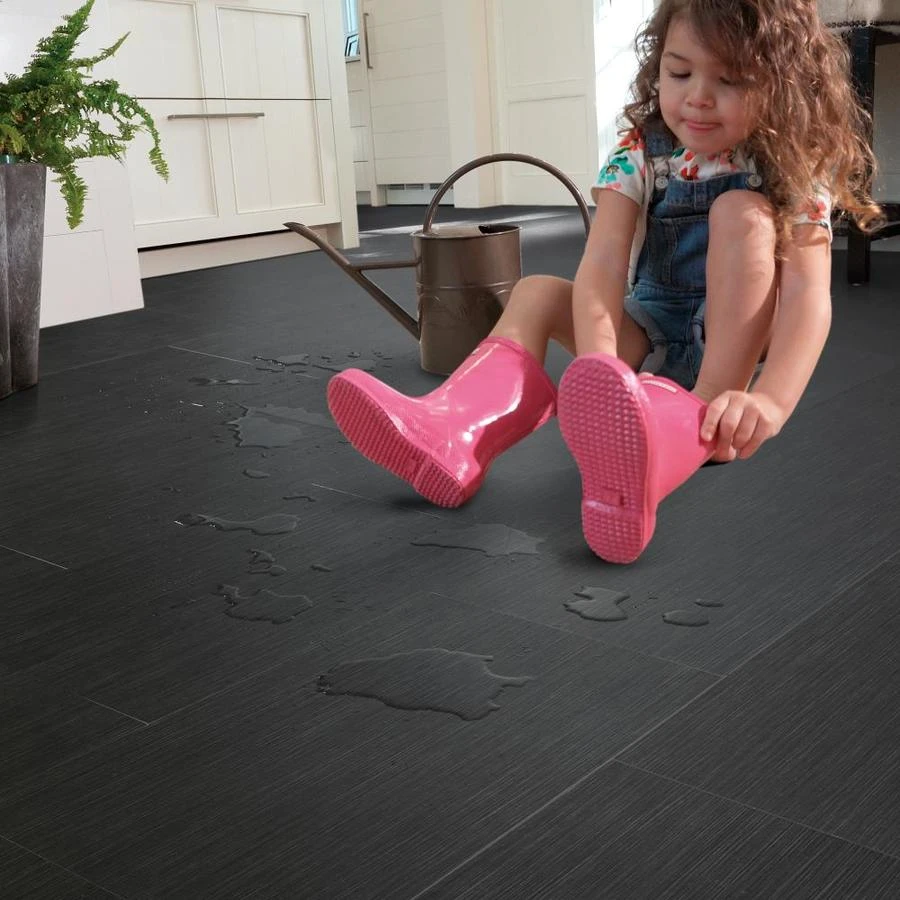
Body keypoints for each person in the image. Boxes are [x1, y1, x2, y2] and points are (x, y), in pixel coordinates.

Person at [326, 0, 881, 563]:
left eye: (731, 80)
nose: (697, 96)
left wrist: (771, 401)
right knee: (537, 292)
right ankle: (457, 431)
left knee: (743, 212)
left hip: (725, 358)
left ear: (785, 87)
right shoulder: (643, 147)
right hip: (648, 330)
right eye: (679, 72)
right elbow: (604, 263)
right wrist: (600, 366)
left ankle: (690, 423)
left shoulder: (795, 161)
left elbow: (808, 294)